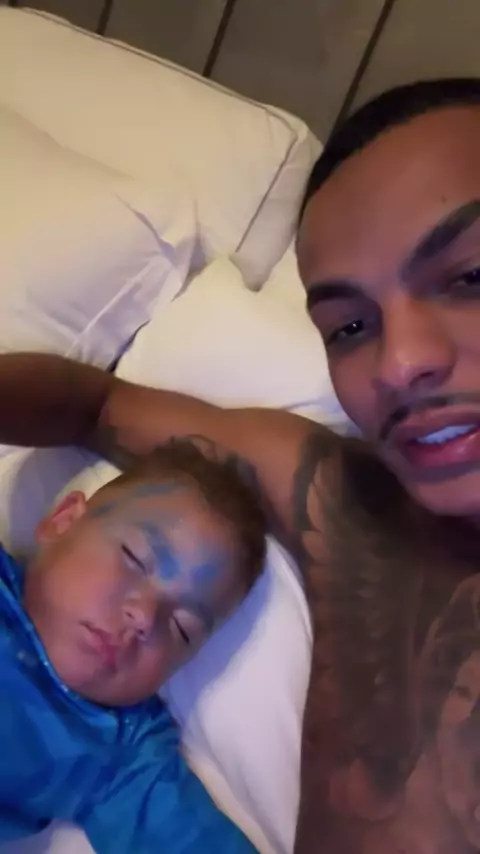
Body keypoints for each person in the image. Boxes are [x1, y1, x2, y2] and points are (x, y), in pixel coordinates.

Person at [3, 76, 480, 853]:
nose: (400, 363)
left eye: (472, 277)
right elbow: (94, 405)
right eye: (349, 326)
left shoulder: (115, 753)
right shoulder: (343, 509)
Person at [0, 440, 266, 853]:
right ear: (62, 521)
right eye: (136, 559)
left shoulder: (119, 751)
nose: (145, 616)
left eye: (182, 628)